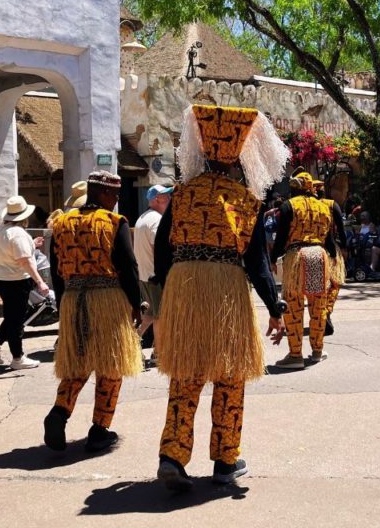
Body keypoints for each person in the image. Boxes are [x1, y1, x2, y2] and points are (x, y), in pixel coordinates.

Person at [153, 104, 287, 491]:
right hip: (227, 288)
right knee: (230, 375)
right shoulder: (247, 200)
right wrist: (275, 308)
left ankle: (173, 456)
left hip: (185, 285)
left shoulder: (182, 194)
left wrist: (168, 294)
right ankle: (226, 461)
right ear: (238, 158)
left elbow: (163, 250)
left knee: (186, 374)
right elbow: (259, 263)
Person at [44, 172, 144, 453]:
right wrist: (136, 304)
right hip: (108, 300)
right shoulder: (114, 222)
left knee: (77, 362)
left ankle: (59, 413)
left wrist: (64, 307)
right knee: (111, 364)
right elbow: (128, 266)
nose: (115, 201)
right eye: (113, 195)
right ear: (102, 193)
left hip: (73, 299)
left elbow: (55, 271)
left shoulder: (61, 223)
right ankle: (99, 429)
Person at [271, 171, 339, 368]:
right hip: (319, 255)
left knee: (294, 305)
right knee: (318, 305)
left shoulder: (288, 206)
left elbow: (281, 237)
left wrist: (273, 258)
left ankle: (295, 355)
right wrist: (334, 260)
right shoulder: (324, 206)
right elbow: (329, 239)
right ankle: (317, 351)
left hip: (296, 256)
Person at [0, 196, 47, 371]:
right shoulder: (18, 234)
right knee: (16, 320)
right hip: (15, 280)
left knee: (13, 316)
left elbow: (14, 252)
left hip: (3, 278)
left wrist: (31, 244)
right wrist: (40, 282)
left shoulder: (4, 229)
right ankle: (17, 357)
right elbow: (26, 261)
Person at [133, 184, 173, 364]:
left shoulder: (143, 218)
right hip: (154, 274)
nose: (169, 199)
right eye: (166, 196)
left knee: (153, 310)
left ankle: (134, 338)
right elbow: (160, 247)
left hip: (144, 274)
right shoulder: (157, 220)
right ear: (157, 199)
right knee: (160, 314)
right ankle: (158, 353)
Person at [313, 179, 346, 337]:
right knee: (334, 284)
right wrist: (345, 247)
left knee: (317, 287)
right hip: (331, 250)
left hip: (311, 251)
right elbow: (341, 228)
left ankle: (320, 314)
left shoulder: (306, 206)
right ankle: (326, 311)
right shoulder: (332, 205)